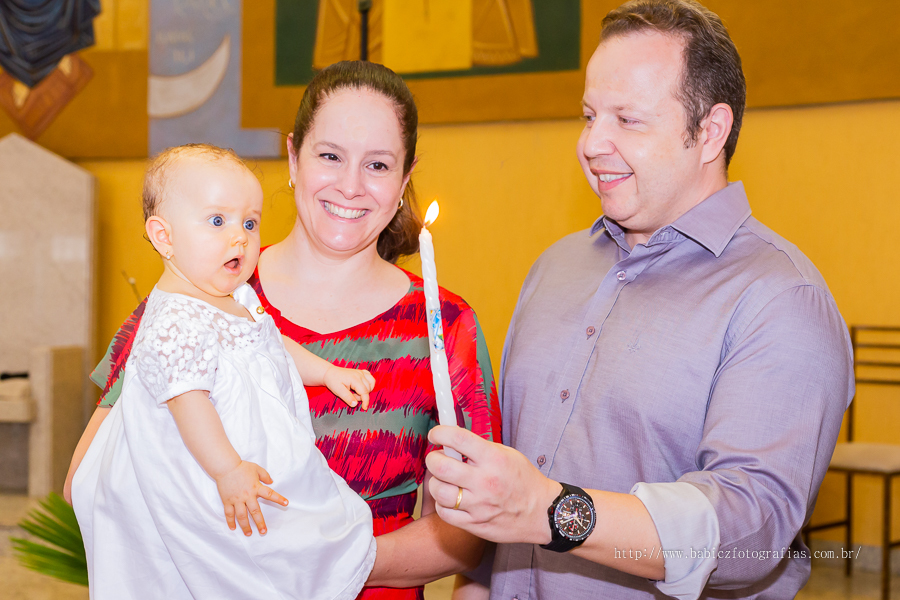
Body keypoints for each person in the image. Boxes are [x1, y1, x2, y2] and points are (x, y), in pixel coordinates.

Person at [425, 1, 854, 599]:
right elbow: (511, 478)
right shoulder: (556, 268)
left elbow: (748, 530)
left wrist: (552, 511)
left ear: (709, 132)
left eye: (628, 120)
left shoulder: (779, 298)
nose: (592, 143)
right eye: (589, 114)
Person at [71, 60, 501, 600]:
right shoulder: (190, 297)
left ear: (405, 178)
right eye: (329, 156)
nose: (350, 185)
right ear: (293, 156)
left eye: (378, 165)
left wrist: (312, 564)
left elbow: (468, 535)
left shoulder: (445, 324)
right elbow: (86, 483)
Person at [70, 144, 378, 599]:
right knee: (222, 565)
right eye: (217, 221)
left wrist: (326, 372)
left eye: (249, 223)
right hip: (203, 468)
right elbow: (187, 399)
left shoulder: (238, 299)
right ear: (164, 237)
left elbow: (268, 341)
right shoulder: (174, 320)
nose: (239, 237)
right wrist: (227, 469)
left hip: (245, 462)